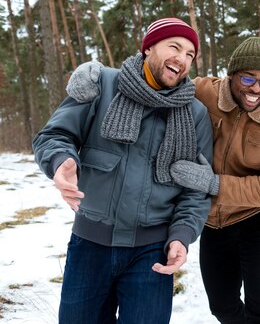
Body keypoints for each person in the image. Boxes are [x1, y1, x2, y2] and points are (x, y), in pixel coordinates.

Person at [32, 17, 215, 324]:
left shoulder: (195, 115)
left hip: (152, 252)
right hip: (90, 245)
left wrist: (182, 236)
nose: (182, 59)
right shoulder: (103, 86)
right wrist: (61, 160)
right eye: (174, 47)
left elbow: (197, 188)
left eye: (190, 55)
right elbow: (54, 136)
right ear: (149, 48)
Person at [188, 37, 260, 324]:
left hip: (259, 221)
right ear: (231, 75)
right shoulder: (204, 92)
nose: (257, 88)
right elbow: (160, 83)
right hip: (214, 223)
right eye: (249, 78)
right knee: (222, 307)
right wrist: (104, 77)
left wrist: (213, 185)